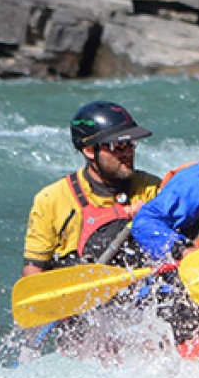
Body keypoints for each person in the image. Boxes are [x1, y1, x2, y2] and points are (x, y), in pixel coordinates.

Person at [21, 101, 163, 276]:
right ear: (89, 150)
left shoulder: (152, 188)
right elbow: (34, 269)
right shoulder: (51, 199)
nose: (128, 153)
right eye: (118, 146)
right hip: (81, 289)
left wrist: (150, 218)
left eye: (130, 144)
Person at [129, 161, 199, 261]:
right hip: (179, 268)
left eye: (130, 145)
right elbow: (144, 220)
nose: (126, 152)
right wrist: (182, 250)